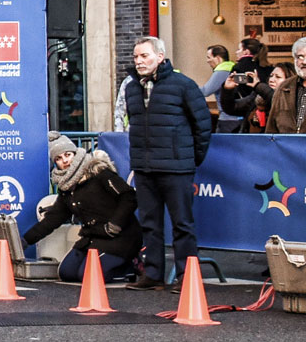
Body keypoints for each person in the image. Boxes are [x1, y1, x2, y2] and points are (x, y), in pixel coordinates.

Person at [122, 36, 212, 289]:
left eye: (145, 56)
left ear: (160, 56)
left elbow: (203, 126)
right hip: (144, 167)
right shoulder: (131, 88)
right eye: (136, 57)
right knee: (150, 224)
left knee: (182, 224)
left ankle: (187, 277)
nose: (139, 61)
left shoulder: (183, 85)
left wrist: (191, 159)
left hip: (176, 167)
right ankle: (153, 275)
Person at [26, 134, 140, 282]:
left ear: (75, 153)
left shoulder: (99, 172)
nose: (65, 161)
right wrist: (25, 240)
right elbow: (53, 219)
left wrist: (114, 225)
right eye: (58, 159)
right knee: (66, 273)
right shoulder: (66, 187)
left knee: (89, 276)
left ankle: (129, 268)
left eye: (67, 155)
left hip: (119, 237)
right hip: (92, 238)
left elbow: (128, 196)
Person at [231, 61, 301, 134]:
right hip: (252, 143)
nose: (271, 80)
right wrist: (227, 89)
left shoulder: (292, 99)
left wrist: (258, 86)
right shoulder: (258, 95)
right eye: (271, 76)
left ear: (289, 81)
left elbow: (276, 100)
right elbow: (233, 107)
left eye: (278, 77)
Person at [198, 44, 241, 133]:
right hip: (236, 117)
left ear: (218, 58)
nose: (207, 61)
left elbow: (206, 91)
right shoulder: (232, 67)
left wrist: (187, 87)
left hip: (227, 118)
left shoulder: (222, 71)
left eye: (209, 57)